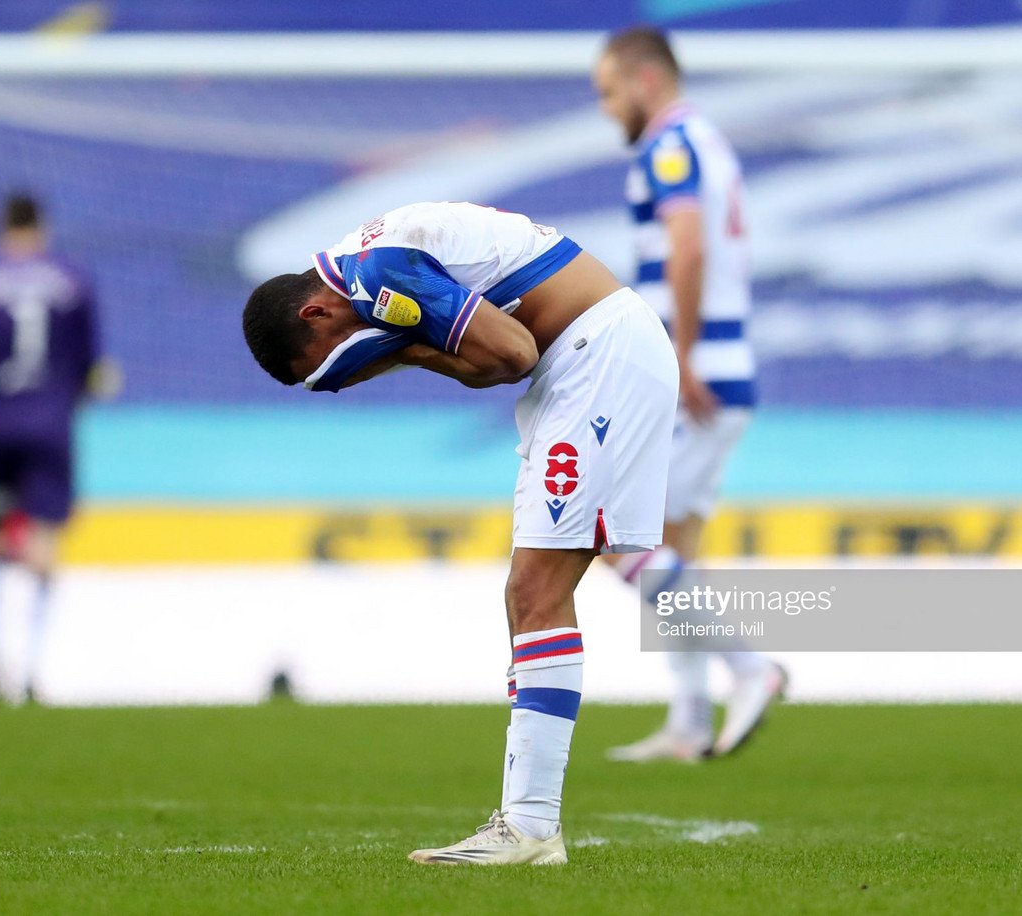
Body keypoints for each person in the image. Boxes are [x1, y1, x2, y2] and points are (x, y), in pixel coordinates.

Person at [242, 201, 678, 864]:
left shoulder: (378, 278)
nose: (351, 372)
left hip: (595, 359)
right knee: (529, 594)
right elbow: (492, 364)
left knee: (534, 593)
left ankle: (531, 828)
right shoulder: (367, 270)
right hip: (587, 360)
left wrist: (407, 350)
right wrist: (419, 351)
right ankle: (529, 824)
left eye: (333, 363)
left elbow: (511, 352)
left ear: (315, 313)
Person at [593, 27, 786, 761]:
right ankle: (690, 718)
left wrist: (680, 352)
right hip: (719, 361)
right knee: (674, 548)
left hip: (694, 367)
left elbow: (690, 243)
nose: (608, 110)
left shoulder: (671, 146)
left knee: (610, 529)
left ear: (645, 80)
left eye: (610, 92)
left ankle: (748, 667)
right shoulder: (707, 139)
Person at [0, 193, 110, 704]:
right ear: (43, 227)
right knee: (41, 544)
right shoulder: (74, 280)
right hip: (51, 425)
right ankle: (35, 668)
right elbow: (90, 365)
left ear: (1, 228)